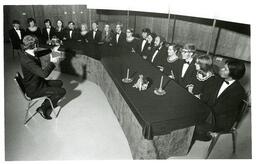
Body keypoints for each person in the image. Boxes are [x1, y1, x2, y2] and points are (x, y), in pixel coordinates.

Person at [192, 59, 246, 141]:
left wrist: (200, 112)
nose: (221, 69)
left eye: (225, 69)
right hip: (208, 112)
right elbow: (206, 96)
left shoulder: (238, 91)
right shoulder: (217, 80)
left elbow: (221, 110)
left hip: (220, 120)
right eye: (223, 67)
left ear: (233, 74)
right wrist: (198, 98)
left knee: (192, 126)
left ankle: (205, 135)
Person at [20, 35, 66, 120]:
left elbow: (38, 53)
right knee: (62, 91)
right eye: (37, 44)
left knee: (60, 83)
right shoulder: (28, 61)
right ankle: (43, 108)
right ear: (35, 46)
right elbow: (44, 74)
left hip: (37, 83)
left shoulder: (27, 52)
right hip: (34, 89)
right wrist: (52, 62)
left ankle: (48, 102)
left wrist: (51, 50)